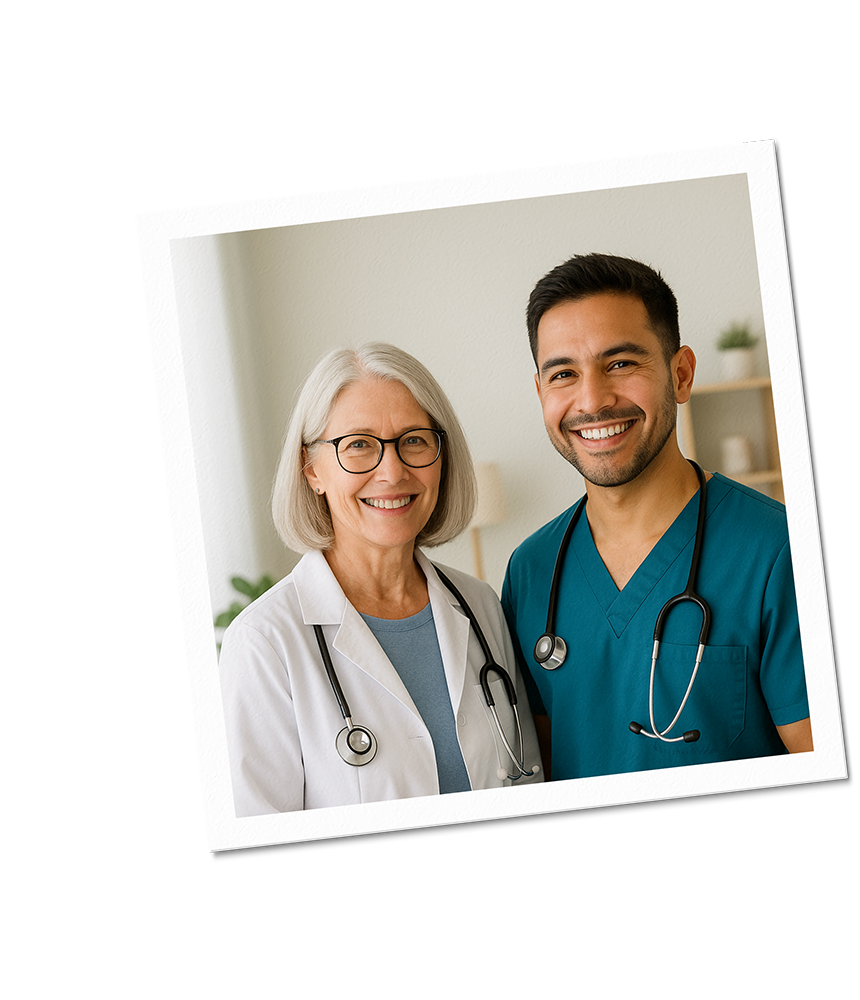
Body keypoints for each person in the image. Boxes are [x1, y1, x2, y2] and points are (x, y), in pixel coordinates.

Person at [501, 253, 811, 782]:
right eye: (563, 374)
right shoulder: (531, 570)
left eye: (621, 363)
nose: (592, 400)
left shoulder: (778, 549)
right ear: (541, 393)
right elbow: (542, 763)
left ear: (681, 374)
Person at [219, 343, 543, 816]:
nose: (392, 472)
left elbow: (529, 782)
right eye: (358, 445)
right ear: (311, 469)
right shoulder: (265, 642)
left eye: (414, 440)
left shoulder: (480, 606)